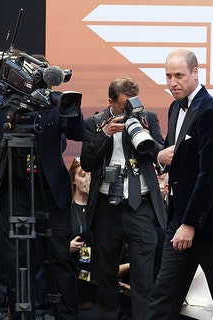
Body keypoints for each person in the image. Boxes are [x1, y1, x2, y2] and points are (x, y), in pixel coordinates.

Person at [0, 54, 84, 319]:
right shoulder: (3, 104)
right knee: (15, 257)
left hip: (50, 190)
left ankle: (66, 314)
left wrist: (71, 107)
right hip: (11, 188)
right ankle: (17, 312)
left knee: (59, 255)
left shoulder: (53, 103)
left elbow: (77, 133)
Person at [146, 48, 213, 319]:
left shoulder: (211, 111)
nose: (172, 82)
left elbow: (211, 174)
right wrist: (161, 156)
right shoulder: (176, 105)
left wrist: (190, 224)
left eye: (179, 75)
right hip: (179, 217)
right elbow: (174, 152)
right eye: (168, 76)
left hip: (207, 223)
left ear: (195, 73)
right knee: (163, 296)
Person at [80, 76, 166, 320]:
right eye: (123, 106)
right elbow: (87, 162)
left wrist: (144, 135)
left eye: (132, 104)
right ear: (110, 101)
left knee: (144, 273)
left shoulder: (147, 117)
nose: (128, 110)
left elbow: (159, 154)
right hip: (107, 207)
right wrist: (105, 135)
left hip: (141, 205)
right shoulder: (94, 122)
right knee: (105, 271)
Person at [67, 157, 96, 313]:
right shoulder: (66, 210)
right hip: (72, 274)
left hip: (96, 277)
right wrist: (67, 247)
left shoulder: (99, 210)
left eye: (90, 176)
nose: (87, 180)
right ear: (73, 179)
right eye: (83, 175)